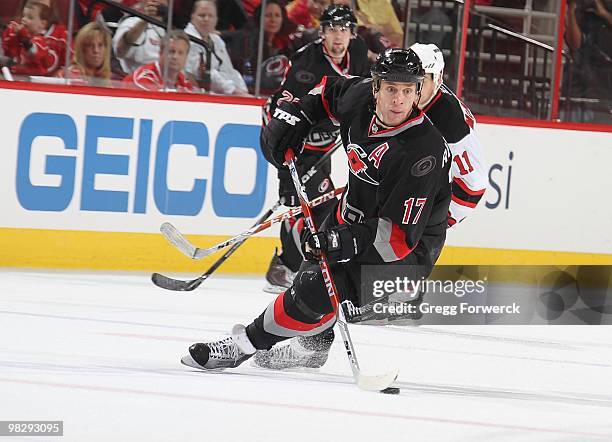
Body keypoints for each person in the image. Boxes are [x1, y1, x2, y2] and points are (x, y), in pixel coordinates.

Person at [180, 48, 452, 371]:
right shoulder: (360, 96)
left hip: (405, 255)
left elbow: (396, 238)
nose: (398, 100)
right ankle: (315, 346)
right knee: (312, 267)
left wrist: (342, 241)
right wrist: (297, 116)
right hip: (354, 214)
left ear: (418, 91)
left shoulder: (424, 151)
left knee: (314, 288)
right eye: (391, 89)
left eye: (408, 91)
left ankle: (242, 345)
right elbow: (325, 92)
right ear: (376, 87)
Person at [261, 5, 369, 294]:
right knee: (306, 205)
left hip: (323, 141)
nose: (338, 37)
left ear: (352, 34)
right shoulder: (306, 64)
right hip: (289, 139)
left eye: (344, 30)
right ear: (322, 33)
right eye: (332, 30)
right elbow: (280, 115)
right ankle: (284, 266)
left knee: (316, 206)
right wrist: (285, 166)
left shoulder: (358, 53)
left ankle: (285, 266)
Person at [410, 42, 487, 228]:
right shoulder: (409, 97)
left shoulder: (450, 125)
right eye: (409, 78)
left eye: (421, 80)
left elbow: (474, 184)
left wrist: (438, 221)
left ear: (438, 79)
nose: (413, 88)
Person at [222, 0, 296, 94]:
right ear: (259, 18)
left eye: (277, 15)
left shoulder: (287, 44)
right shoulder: (247, 42)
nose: (273, 20)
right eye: (268, 15)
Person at [184, 0, 248, 95]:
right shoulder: (187, 40)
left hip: (226, 93)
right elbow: (205, 74)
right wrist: (234, 91)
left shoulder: (217, 40)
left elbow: (229, 71)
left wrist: (242, 90)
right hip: (197, 94)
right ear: (192, 17)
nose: (206, 19)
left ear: (216, 19)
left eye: (210, 16)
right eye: (202, 15)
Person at [1, 0, 66, 77]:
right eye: (24, 16)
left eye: (30, 17)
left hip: (36, 81)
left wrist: (24, 38)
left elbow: (33, 50)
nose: (24, 19)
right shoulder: (13, 29)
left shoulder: (41, 41)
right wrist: (12, 38)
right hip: (13, 77)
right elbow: (7, 53)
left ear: (43, 23)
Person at [122, 29, 194, 92]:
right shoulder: (145, 76)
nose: (175, 57)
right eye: (171, 51)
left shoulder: (185, 83)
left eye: (180, 53)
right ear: (160, 53)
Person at [113, 0, 168, 74]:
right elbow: (120, 52)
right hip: (133, 79)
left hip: (162, 80)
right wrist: (145, 19)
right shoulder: (131, 22)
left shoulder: (171, 30)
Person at [59, 21, 113, 87]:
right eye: (90, 45)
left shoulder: (107, 77)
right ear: (81, 49)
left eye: (100, 45)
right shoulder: (70, 75)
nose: (96, 51)